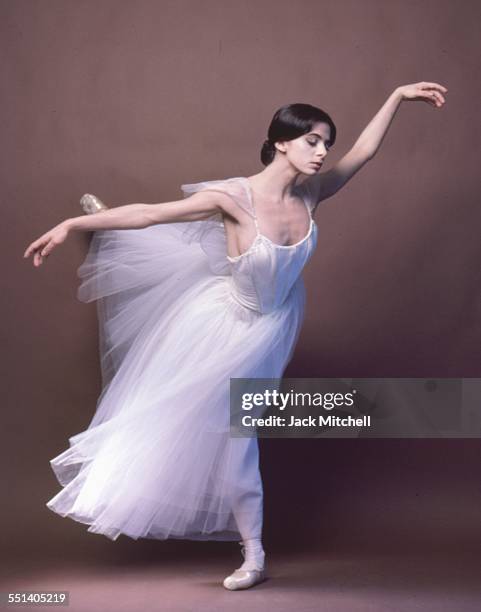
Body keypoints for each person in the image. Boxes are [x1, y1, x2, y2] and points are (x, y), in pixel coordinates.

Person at [23, 81, 447, 590]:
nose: (322, 152)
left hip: (275, 321)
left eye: (326, 143)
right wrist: (70, 224)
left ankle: (254, 555)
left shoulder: (311, 193)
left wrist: (397, 96)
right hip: (226, 325)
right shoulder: (233, 198)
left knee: (238, 436)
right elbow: (152, 212)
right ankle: (254, 556)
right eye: (313, 140)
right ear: (281, 141)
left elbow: (364, 152)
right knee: (223, 434)